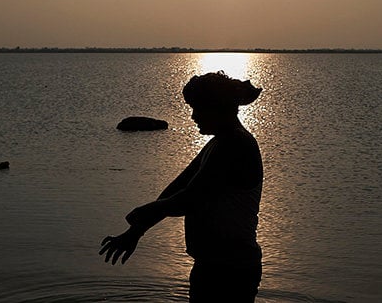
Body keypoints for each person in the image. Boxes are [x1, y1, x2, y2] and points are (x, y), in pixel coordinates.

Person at [99, 71, 264, 302]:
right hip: (213, 265)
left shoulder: (235, 144)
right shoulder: (218, 144)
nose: (193, 116)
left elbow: (190, 199)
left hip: (231, 270)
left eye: (198, 108)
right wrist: (136, 231)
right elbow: (176, 189)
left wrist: (149, 210)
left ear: (217, 107)